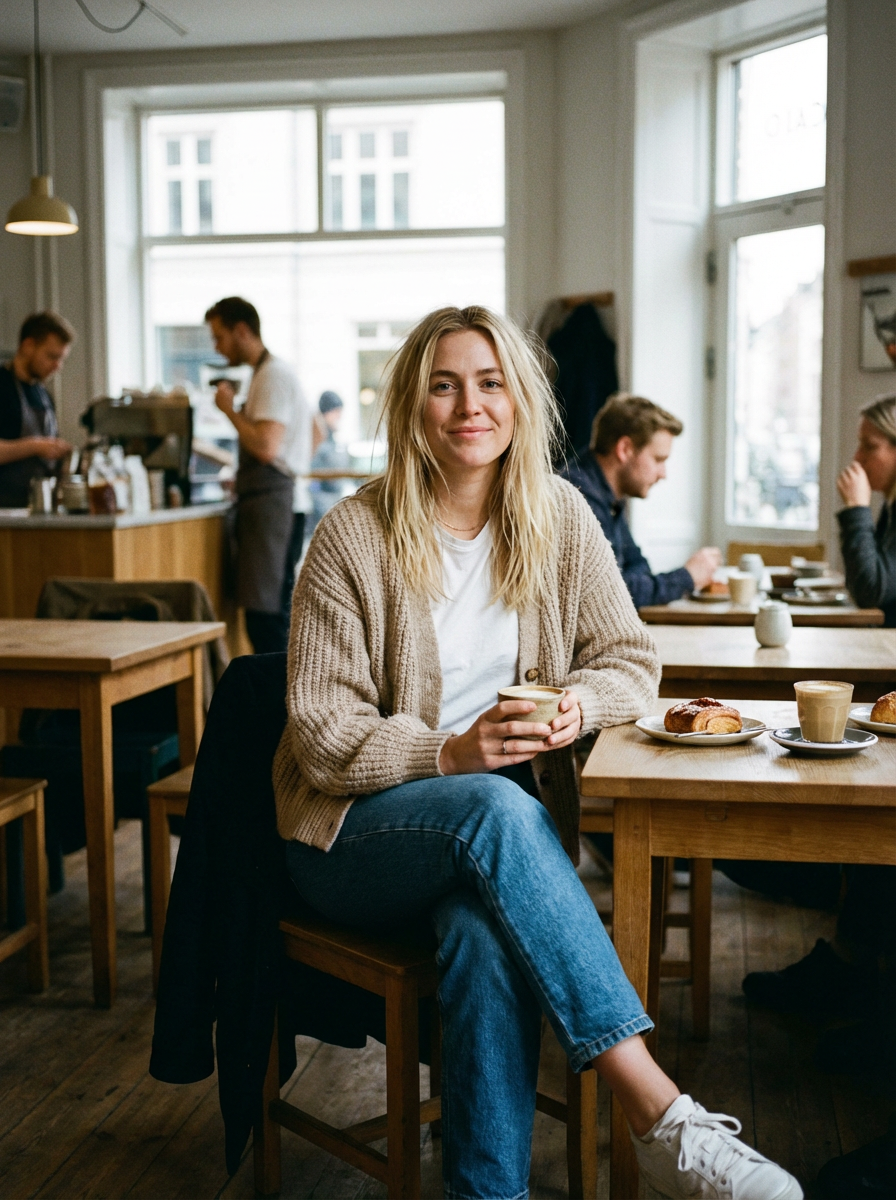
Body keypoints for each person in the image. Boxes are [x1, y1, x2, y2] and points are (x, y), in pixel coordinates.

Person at [273, 305, 802, 1200]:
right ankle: (661, 1114)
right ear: (411, 404)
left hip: (490, 847)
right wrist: (448, 753)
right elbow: (322, 735)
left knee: (483, 933)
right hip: (348, 838)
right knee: (496, 805)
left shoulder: (556, 515)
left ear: (519, 399)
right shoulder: (350, 536)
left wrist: (576, 707)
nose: (468, 405)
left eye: (489, 383)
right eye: (443, 385)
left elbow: (631, 660)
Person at [205, 297, 310, 654]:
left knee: (266, 619)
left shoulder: (272, 375)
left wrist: (229, 411)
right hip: (278, 501)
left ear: (242, 330)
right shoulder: (274, 373)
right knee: (271, 613)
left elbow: (266, 446)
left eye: (219, 337)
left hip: (274, 506)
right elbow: (315, 432)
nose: (216, 347)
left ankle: (283, 708)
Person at [560, 393, 721, 607]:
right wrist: (687, 577)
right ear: (625, 449)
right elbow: (612, 595)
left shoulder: (608, 495)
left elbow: (637, 565)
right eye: (658, 459)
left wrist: (637, 584)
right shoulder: (578, 497)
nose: (663, 473)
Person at [0, 311, 73, 507]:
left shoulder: (44, 395)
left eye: (62, 359)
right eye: (51, 356)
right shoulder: (3, 385)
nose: (57, 366)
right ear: (28, 346)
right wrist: (36, 446)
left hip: (39, 507)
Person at [836, 392, 896, 626]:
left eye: (869, 447)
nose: (857, 458)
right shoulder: (891, 504)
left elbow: (869, 591)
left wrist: (857, 509)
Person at [307, 390, 351, 536]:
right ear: (326, 412)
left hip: (333, 500)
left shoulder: (333, 439)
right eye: (336, 411)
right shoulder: (317, 437)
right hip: (320, 503)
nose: (339, 416)